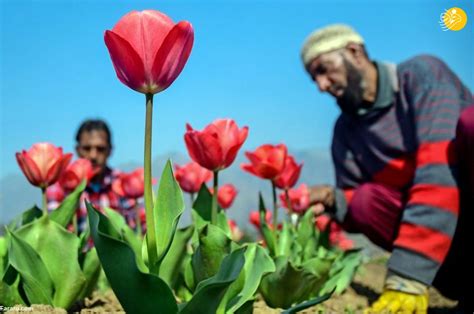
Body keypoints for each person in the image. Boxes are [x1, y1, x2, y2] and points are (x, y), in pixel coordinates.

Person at [300, 24, 473, 312]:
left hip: (460, 205)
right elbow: (368, 208)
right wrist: (331, 199)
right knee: (363, 202)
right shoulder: (346, 133)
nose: (321, 86)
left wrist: (407, 277)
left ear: (355, 52)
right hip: (447, 254)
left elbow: (438, 172)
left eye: (324, 69)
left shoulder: (420, 77)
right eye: (313, 78)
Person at [48, 119, 137, 233]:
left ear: (110, 150)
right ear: (77, 150)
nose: (93, 155)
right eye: (87, 148)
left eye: (100, 149)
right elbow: (54, 230)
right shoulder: (60, 184)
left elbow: (136, 228)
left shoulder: (123, 183)